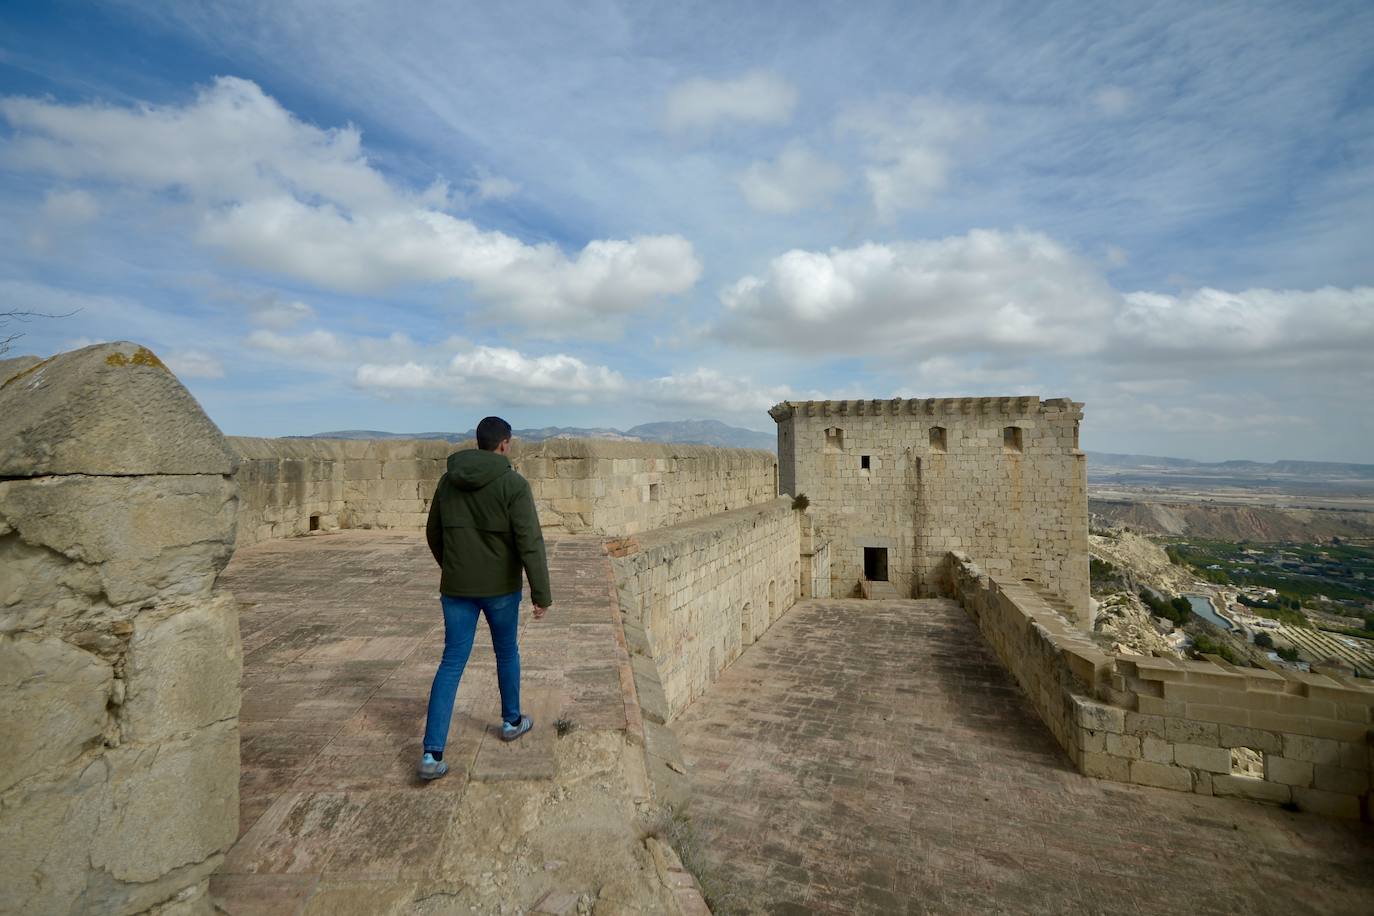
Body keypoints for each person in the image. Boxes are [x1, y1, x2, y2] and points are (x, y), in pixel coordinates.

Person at [418, 416, 552, 780]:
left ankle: (431, 754)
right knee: (506, 652)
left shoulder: (449, 481)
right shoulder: (513, 484)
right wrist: (541, 594)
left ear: (479, 442)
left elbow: (433, 532)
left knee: (451, 662)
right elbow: (530, 541)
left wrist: (453, 567)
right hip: (500, 591)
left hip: (457, 589)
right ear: (505, 444)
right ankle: (511, 721)